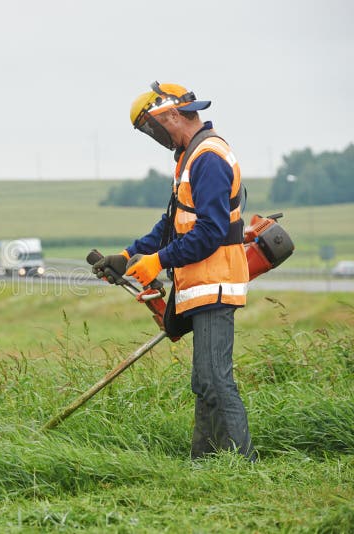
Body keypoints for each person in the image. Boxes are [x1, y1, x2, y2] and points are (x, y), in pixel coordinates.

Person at [92, 81, 254, 461]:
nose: (154, 136)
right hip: (198, 284)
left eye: (151, 126)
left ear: (171, 115)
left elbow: (211, 232)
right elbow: (172, 225)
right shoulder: (189, 156)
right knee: (204, 382)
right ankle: (205, 463)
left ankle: (241, 466)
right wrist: (128, 255)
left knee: (216, 380)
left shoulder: (208, 158)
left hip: (215, 282)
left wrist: (159, 261)